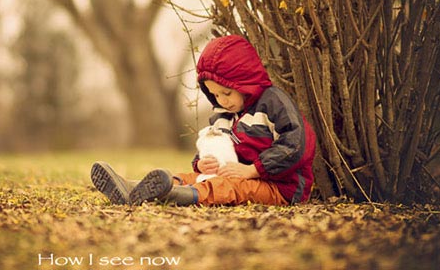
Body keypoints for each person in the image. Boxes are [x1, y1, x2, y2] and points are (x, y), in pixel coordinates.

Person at [91, 34, 317, 207]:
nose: (222, 100)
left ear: (244, 82)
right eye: (215, 95)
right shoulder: (225, 114)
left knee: (227, 187)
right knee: (193, 176)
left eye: (227, 93)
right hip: (235, 174)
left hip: (280, 187)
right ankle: (132, 187)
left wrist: (253, 170)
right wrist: (201, 163)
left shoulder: (273, 102)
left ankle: (172, 196)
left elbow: (296, 145)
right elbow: (213, 143)